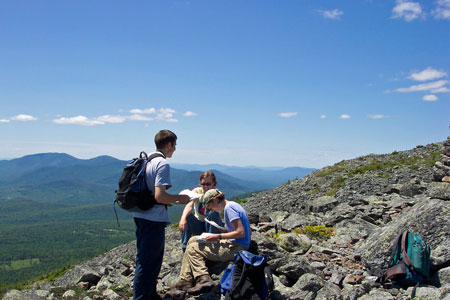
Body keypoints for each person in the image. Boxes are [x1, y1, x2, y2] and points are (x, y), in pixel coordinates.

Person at [132, 129, 190, 300]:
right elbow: (160, 196)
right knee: (148, 260)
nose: (175, 149)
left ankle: (149, 293)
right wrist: (181, 198)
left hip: (140, 214)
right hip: (153, 218)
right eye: (175, 145)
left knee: (145, 258)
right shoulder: (162, 164)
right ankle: (142, 297)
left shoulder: (145, 160)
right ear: (169, 144)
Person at [170, 188, 251, 295]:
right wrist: (225, 231)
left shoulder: (229, 208)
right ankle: (186, 280)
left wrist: (218, 236)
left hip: (237, 247)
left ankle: (203, 279)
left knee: (192, 248)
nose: (211, 209)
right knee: (192, 240)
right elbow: (245, 230)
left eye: (210, 206)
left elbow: (241, 232)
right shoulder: (233, 205)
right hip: (237, 243)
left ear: (215, 200)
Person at [178, 171, 225, 251]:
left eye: (208, 184)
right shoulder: (197, 191)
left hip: (212, 225)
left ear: (213, 183)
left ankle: (211, 245)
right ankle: (185, 248)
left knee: (212, 212)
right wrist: (183, 219)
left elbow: (221, 209)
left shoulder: (216, 194)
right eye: (203, 184)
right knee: (187, 216)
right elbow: (189, 205)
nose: (205, 186)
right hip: (199, 225)